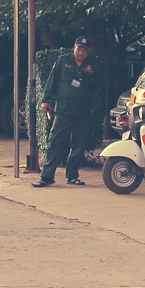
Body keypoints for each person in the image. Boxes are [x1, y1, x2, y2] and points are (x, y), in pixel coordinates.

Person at [35, 36, 100, 187]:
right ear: (74, 48)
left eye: (84, 50)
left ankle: (72, 176)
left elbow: (98, 86)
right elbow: (52, 80)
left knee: (78, 145)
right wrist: (46, 99)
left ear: (88, 52)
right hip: (63, 109)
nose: (81, 52)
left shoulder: (93, 66)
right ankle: (46, 177)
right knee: (55, 142)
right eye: (79, 49)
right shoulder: (63, 60)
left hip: (82, 111)